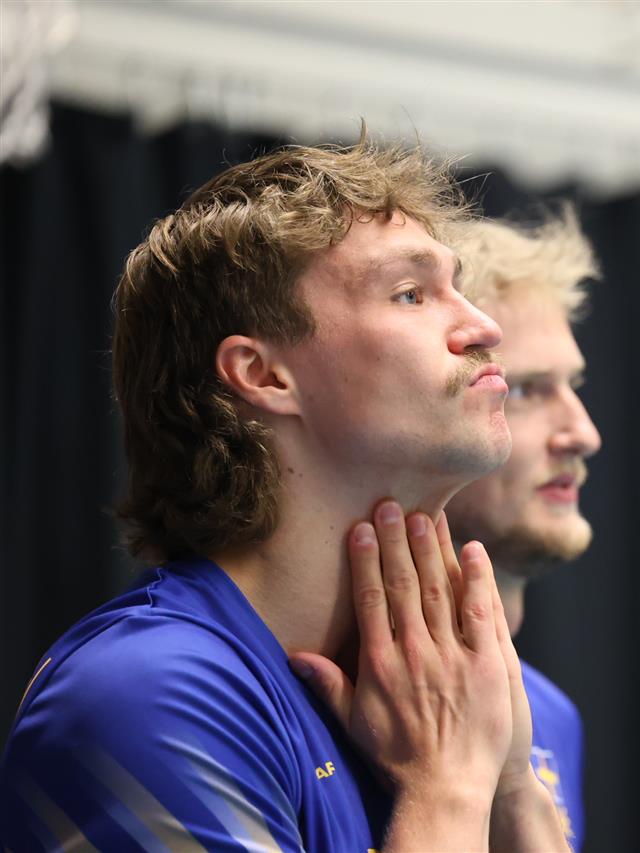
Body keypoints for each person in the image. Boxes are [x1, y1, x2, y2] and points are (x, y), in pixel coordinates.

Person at [0, 137, 568, 852]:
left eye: (459, 287)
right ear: (263, 375)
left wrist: (512, 785)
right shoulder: (142, 694)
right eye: (411, 294)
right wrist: (450, 789)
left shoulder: (454, 698)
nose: (484, 327)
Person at [446, 208, 602, 850]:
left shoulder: (553, 718)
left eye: (574, 385)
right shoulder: (301, 692)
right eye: (529, 389)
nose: (583, 434)